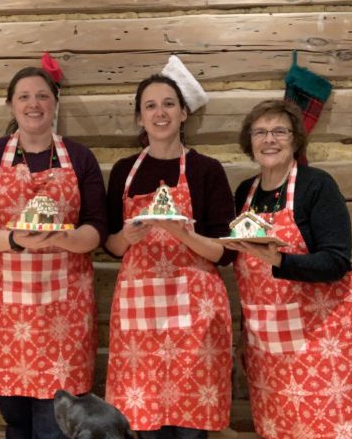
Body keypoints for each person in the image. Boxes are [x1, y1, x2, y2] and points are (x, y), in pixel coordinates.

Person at [0, 66, 107, 439]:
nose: (33, 103)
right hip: (2, 313)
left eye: (42, 95)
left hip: (63, 313)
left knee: (54, 421)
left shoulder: (79, 157)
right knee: (17, 419)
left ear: (55, 103)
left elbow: (97, 228)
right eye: (24, 96)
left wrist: (64, 239)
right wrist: (15, 240)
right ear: (10, 105)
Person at [230, 99, 352, 439]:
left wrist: (280, 261)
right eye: (260, 132)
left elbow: (337, 261)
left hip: (324, 338)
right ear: (249, 141)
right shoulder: (244, 194)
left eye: (280, 131)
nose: (270, 139)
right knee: (279, 428)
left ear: (295, 139)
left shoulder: (317, 186)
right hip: (268, 345)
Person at [104, 73, 235, 439]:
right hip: (139, 319)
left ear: (183, 114)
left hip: (196, 318)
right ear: (139, 117)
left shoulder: (206, 170)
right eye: (150, 106)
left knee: (190, 426)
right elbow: (111, 247)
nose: (159, 113)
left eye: (168, 104)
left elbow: (224, 252)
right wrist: (127, 237)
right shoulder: (123, 172)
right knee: (143, 424)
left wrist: (182, 233)